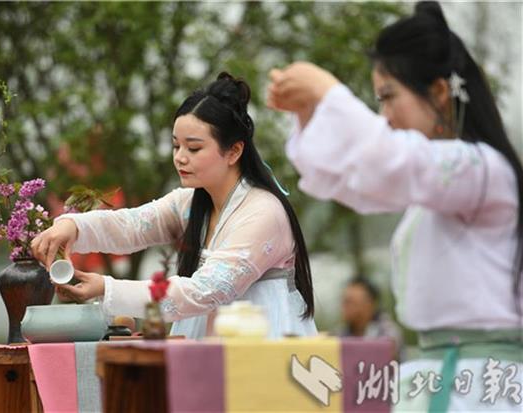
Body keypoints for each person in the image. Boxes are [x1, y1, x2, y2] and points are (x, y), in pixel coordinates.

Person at [267, 1, 522, 411]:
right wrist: (312, 113)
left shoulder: (483, 170)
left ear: (439, 92)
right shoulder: (438, 188)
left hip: (483, 385)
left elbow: (388, 160)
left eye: (389, 97)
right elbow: (356, 183)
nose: (383, 116)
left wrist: (328, 93)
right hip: (445, 374)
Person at [31, 72, 318, 339]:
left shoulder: (263, 212)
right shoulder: (193, 202)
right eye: (176, 146)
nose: (180, 157)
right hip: (211, 341)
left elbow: (206, 291)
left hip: (266, 342)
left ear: (234, 151)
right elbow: (132, 226)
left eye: (193, 148)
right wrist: (72, 227)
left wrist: (108, 289)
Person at [337, 277, 403, 356]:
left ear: (369, 304)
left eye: (349, 302)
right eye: (343, 302)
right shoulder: (340, 333)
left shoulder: (388, 332)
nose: (344, 307)